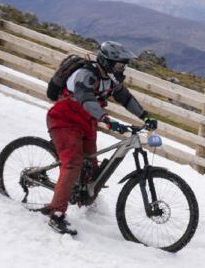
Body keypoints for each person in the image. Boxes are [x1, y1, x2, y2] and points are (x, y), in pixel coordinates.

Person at [42, 41, 157, 235]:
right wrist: (106, 119)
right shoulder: (87, 75)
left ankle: (83, 200)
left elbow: (126, 99)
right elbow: (86, 99)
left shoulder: (111, 80)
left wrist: (145, 116)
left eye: (124, 65)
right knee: (73, 163)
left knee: (91, 168)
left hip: (86, 123)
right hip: (64, 120)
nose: (122, 69)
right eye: (120, 65)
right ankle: (56, 214)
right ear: (107, 61)